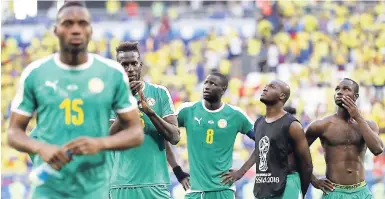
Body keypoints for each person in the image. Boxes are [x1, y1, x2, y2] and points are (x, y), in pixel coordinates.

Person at [7, 2, 144, 199]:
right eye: (68, 23)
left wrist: (101, 144)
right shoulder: (36, 74)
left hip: (94, 189)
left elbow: (135, 132)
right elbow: (13, 133)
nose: (75, 29)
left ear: (90, 30)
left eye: (82, 23)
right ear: (56, 30)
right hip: (49, 188)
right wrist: (41, 148)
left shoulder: (111, 74)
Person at [108, 41, 186, 198]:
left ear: (140, 65)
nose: (129, 69)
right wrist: (127, 103)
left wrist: (151, 113)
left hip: (156, 184)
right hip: (122, 185)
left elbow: (175, 137)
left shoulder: (159, 93)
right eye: (124, 64)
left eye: (133, 63)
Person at [223, 80, 313, 199]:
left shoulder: (293, 125)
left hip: (287, 183)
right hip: (264, 183)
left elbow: (307, 164)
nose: (265, 88)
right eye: (265, 86)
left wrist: (302, 192)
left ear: (282, 96)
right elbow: (259, 150)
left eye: (271, 87)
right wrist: (240, 172)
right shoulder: (259, 122)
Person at [177, 72, 255, 199]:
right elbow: (165, 132)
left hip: (223, 190)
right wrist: (177, 171)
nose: (207, 86)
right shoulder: (187, 110)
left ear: (223, 90)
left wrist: (241, 172)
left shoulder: (235, 115)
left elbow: (263, 142)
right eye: (206, 83)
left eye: (213, 84)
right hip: (195, 191)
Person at [305, 78, 384, 199]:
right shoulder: (321, 125)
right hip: (334, 191)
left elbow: (378, 149)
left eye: (346, 89)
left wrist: (358, 117)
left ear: (356, 96)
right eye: (337, 89)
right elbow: (296, 152)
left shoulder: (369, 125)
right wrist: (313, 179)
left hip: (361, 192)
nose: (340, 92)